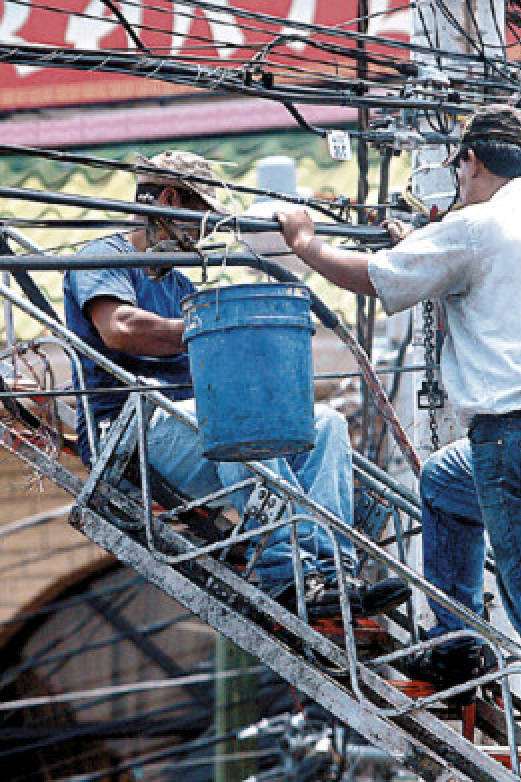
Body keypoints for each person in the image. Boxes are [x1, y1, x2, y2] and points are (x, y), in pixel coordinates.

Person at [275, 107, 521, 780]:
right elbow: (443, 262)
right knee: (442, 483)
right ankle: (455, 643)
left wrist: (308, 245)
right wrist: (420, 242)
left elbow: (378, 277)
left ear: (473, 163)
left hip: (517, 433)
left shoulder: (478, 226)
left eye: (459, 167)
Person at [64, 149, 409, 620]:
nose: (203, 233)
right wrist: (214, 332)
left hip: (192, 428)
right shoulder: (104, 257)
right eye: (200, 217)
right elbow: (119, 327)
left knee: (324, 424)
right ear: (168, 200)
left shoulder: (182, 288)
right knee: (245, 428)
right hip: (127, 429)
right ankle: (286, 574)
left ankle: (332, 571)